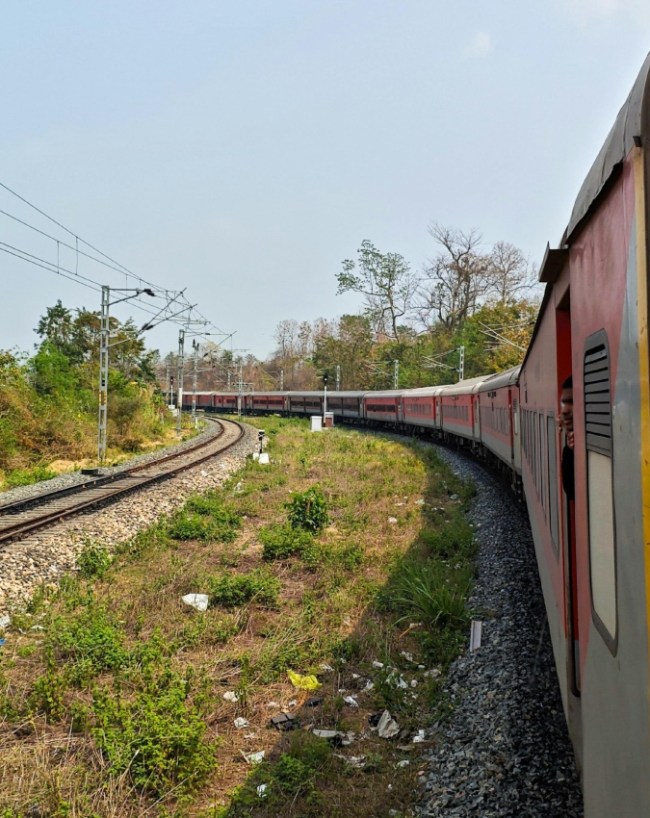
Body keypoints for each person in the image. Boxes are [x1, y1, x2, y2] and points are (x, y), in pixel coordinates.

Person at [559, 376, 574, 500]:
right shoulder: (571, 446)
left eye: (572, 402)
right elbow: (570, 490)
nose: (564, 410)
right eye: (564, 403)